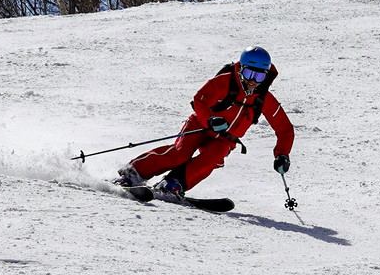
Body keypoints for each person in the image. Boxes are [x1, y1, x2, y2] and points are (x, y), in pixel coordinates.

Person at [114, 46, 295, 201]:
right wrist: (210, 118)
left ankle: (173, 184)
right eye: (249, 73)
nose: (253, 80)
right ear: (241, 69)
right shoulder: (224, 82)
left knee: (215, 157)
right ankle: (133, 173)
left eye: (259, 76)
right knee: (180, 154)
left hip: (224, 139)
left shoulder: (265, 99)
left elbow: (285, 129)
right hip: (200, 125)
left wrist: (282, 154)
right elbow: (199, 100)